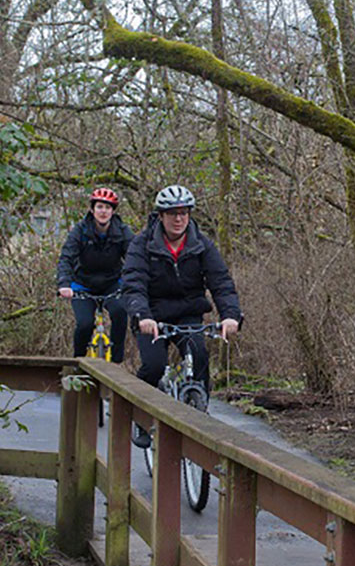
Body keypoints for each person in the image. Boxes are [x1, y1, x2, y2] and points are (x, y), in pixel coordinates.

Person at [121, 184, 242, 444]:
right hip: (152, 317)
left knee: (199, 355)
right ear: (161, 216)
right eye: (173, 213)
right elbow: (133, 284)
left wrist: (230, 315)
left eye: (184, 213)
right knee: (154, 366)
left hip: (188, 314)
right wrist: (142, 315)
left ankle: (200, 411)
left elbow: (221, 282)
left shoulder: (201, 245)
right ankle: (141, 417)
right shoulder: (142, 245)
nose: (179, 219)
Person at [55, 187, 133, 361]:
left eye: (107, 208)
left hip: (112, 283)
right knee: (85, 324)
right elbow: (66, 257)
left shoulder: (122, 231)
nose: (103, 212)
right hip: (83, 284)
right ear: (92, 209)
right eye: (99, 207)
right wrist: (64, 284)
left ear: (113, 211)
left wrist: (134, 282)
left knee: (120, 312)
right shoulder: (80, 231)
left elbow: (135, 258)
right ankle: (78, 362)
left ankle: (116, 361)